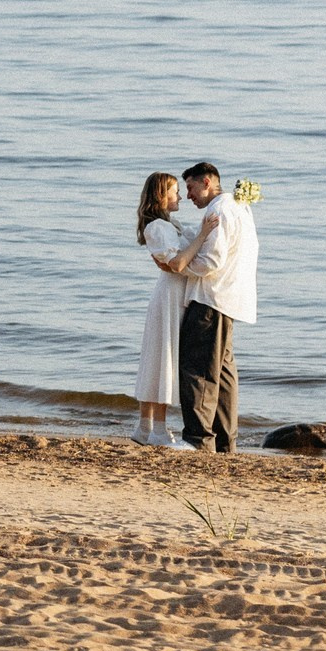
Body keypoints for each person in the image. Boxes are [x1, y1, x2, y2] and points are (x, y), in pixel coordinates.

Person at [153, 159, 258, 452]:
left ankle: (198, 440)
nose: (188, 196)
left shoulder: (220, 209)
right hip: (231, 300)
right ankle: (225, 441)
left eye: (191, 187)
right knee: (223, 375)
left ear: (207, 182)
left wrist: (178, 267)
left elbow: (212, 261)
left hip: (211, 299)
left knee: (197, 369)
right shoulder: (238, 206)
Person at [131, 172, 199, 447]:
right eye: (175, 191)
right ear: (162, 195)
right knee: (162, 358)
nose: (180, 196)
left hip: (173, 293)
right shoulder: (157, 227)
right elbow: (176, 263)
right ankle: (158, 429)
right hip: (170, 294)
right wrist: (205, 231)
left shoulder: (170, 224)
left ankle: (145, 427)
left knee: (158, 356)